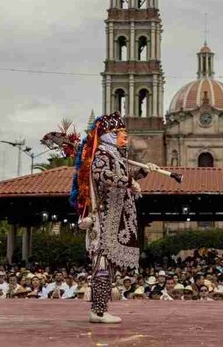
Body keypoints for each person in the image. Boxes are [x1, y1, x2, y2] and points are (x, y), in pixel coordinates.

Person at [80, 112, 157, 324]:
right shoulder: (103, 156)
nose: (125, 137)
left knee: (108, 267)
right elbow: (101, 175)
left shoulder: (114, 155)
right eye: (121, 133)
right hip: (104, 218)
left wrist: (142, 172)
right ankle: (98, 311)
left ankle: (101, 309)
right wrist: (128, 180)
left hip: (115, 218)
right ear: (109, 135)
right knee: (102, 266)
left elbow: (124, 177)